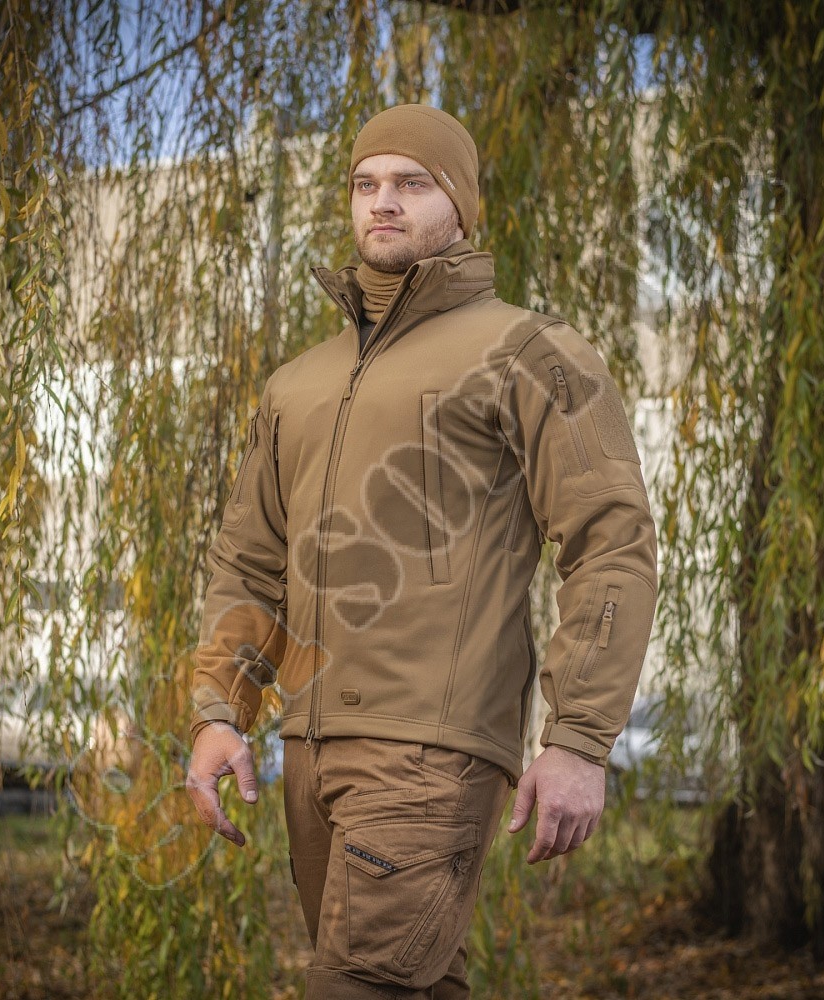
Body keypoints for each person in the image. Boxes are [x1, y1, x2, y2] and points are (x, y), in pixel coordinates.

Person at [185, 104, 658, 998]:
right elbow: (247, 561)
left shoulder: (530, 352)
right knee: (415, 984)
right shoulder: (297, 384)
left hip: (431, 753)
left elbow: (612, 544)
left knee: (358, 984)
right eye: (365, 184)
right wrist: (220, 711)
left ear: (461, 205)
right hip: (310, 752)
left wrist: (580, 738)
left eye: (412, 182)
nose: (383, 201)